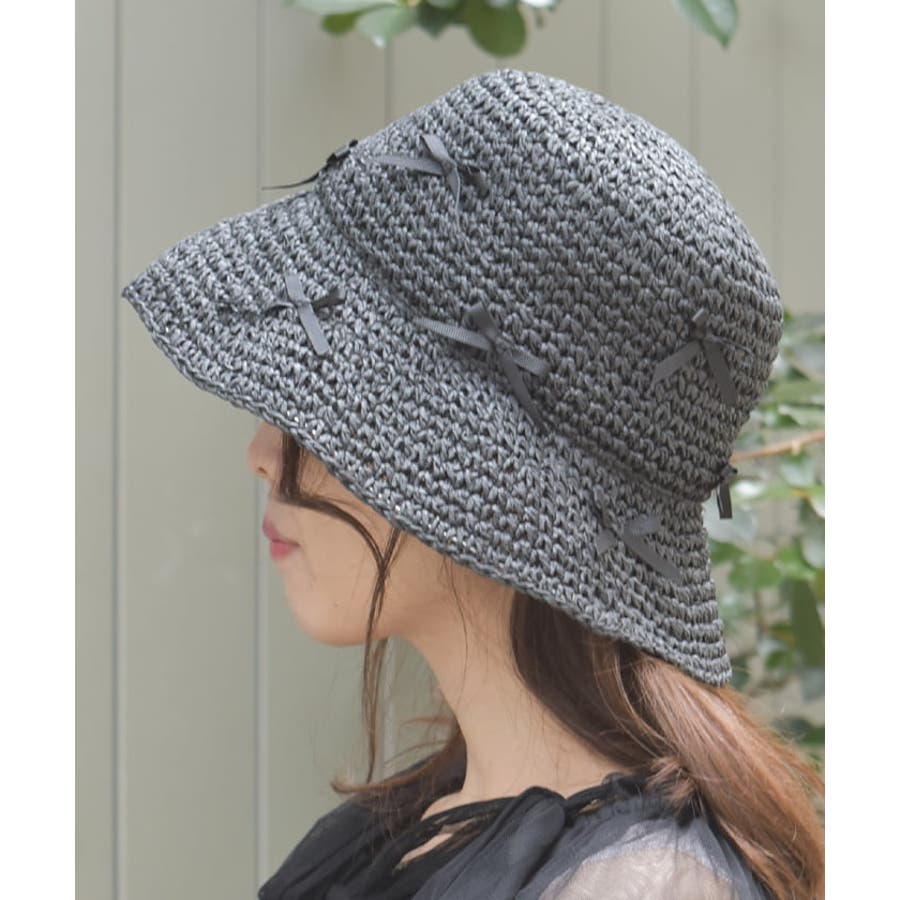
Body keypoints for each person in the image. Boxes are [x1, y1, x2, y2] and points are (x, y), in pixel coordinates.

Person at [122, 68, 824, 899]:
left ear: (474, 463)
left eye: (327, 400)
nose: (263, 454)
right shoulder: (419, 829)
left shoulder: (634, 885)